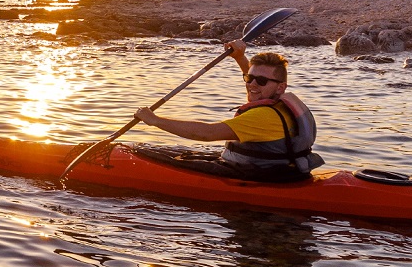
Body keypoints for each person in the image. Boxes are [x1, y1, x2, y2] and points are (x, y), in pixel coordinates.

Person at [132, 42, 320, 180]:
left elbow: (207, 134)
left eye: (261, 81)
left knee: (159, 157)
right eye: (249, 78)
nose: (252, 84)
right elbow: (257, 81)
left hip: (262, 176)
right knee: (166, 152)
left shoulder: (264, 117)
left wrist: (155, 120)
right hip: (281, 170)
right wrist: (240, 58)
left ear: (280, 87)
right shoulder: (280, 102)